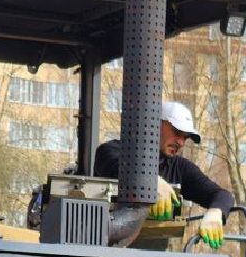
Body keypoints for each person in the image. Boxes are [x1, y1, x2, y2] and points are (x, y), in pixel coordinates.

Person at [92, 101, 234, 249]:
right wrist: (150, 182)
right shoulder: (112, 151)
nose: (180, 142)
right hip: (102, 251)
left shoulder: (179, 168)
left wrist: (216, 213)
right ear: (154, 123)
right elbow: (112, 162)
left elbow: (222, 195)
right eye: (177, 133)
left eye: (185, 138)